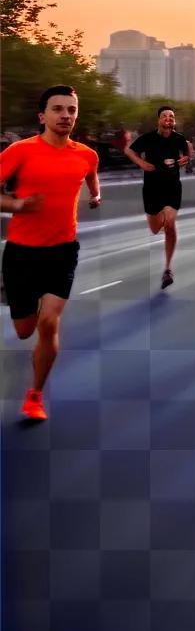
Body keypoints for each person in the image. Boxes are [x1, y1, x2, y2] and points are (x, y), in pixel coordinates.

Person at [0, 86, 101, 421]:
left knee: (49, 322)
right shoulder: (20, 151)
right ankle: (10, 292)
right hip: (21, 252)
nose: (66, 116)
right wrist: (17, 205)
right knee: (24, 330)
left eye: (71, 110)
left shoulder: (86, 154)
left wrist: (95, 195)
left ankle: (35, 395)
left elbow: (91, 177)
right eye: (58, 109)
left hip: (62, 250)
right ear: (42, 116)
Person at [124, 105, 192, 289]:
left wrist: (185, 160)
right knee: (155, 229)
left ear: (174, 121)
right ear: (159, 120)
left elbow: (188, 154)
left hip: (172, 187)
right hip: (152, 188)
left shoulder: (179, 139)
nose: (168, 118)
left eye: (171, 116)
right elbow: (129, 151)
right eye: (165, 116)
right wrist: (142, 163)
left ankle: (168, 269)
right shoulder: (148, 138)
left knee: (169, 224)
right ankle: (162, 220)